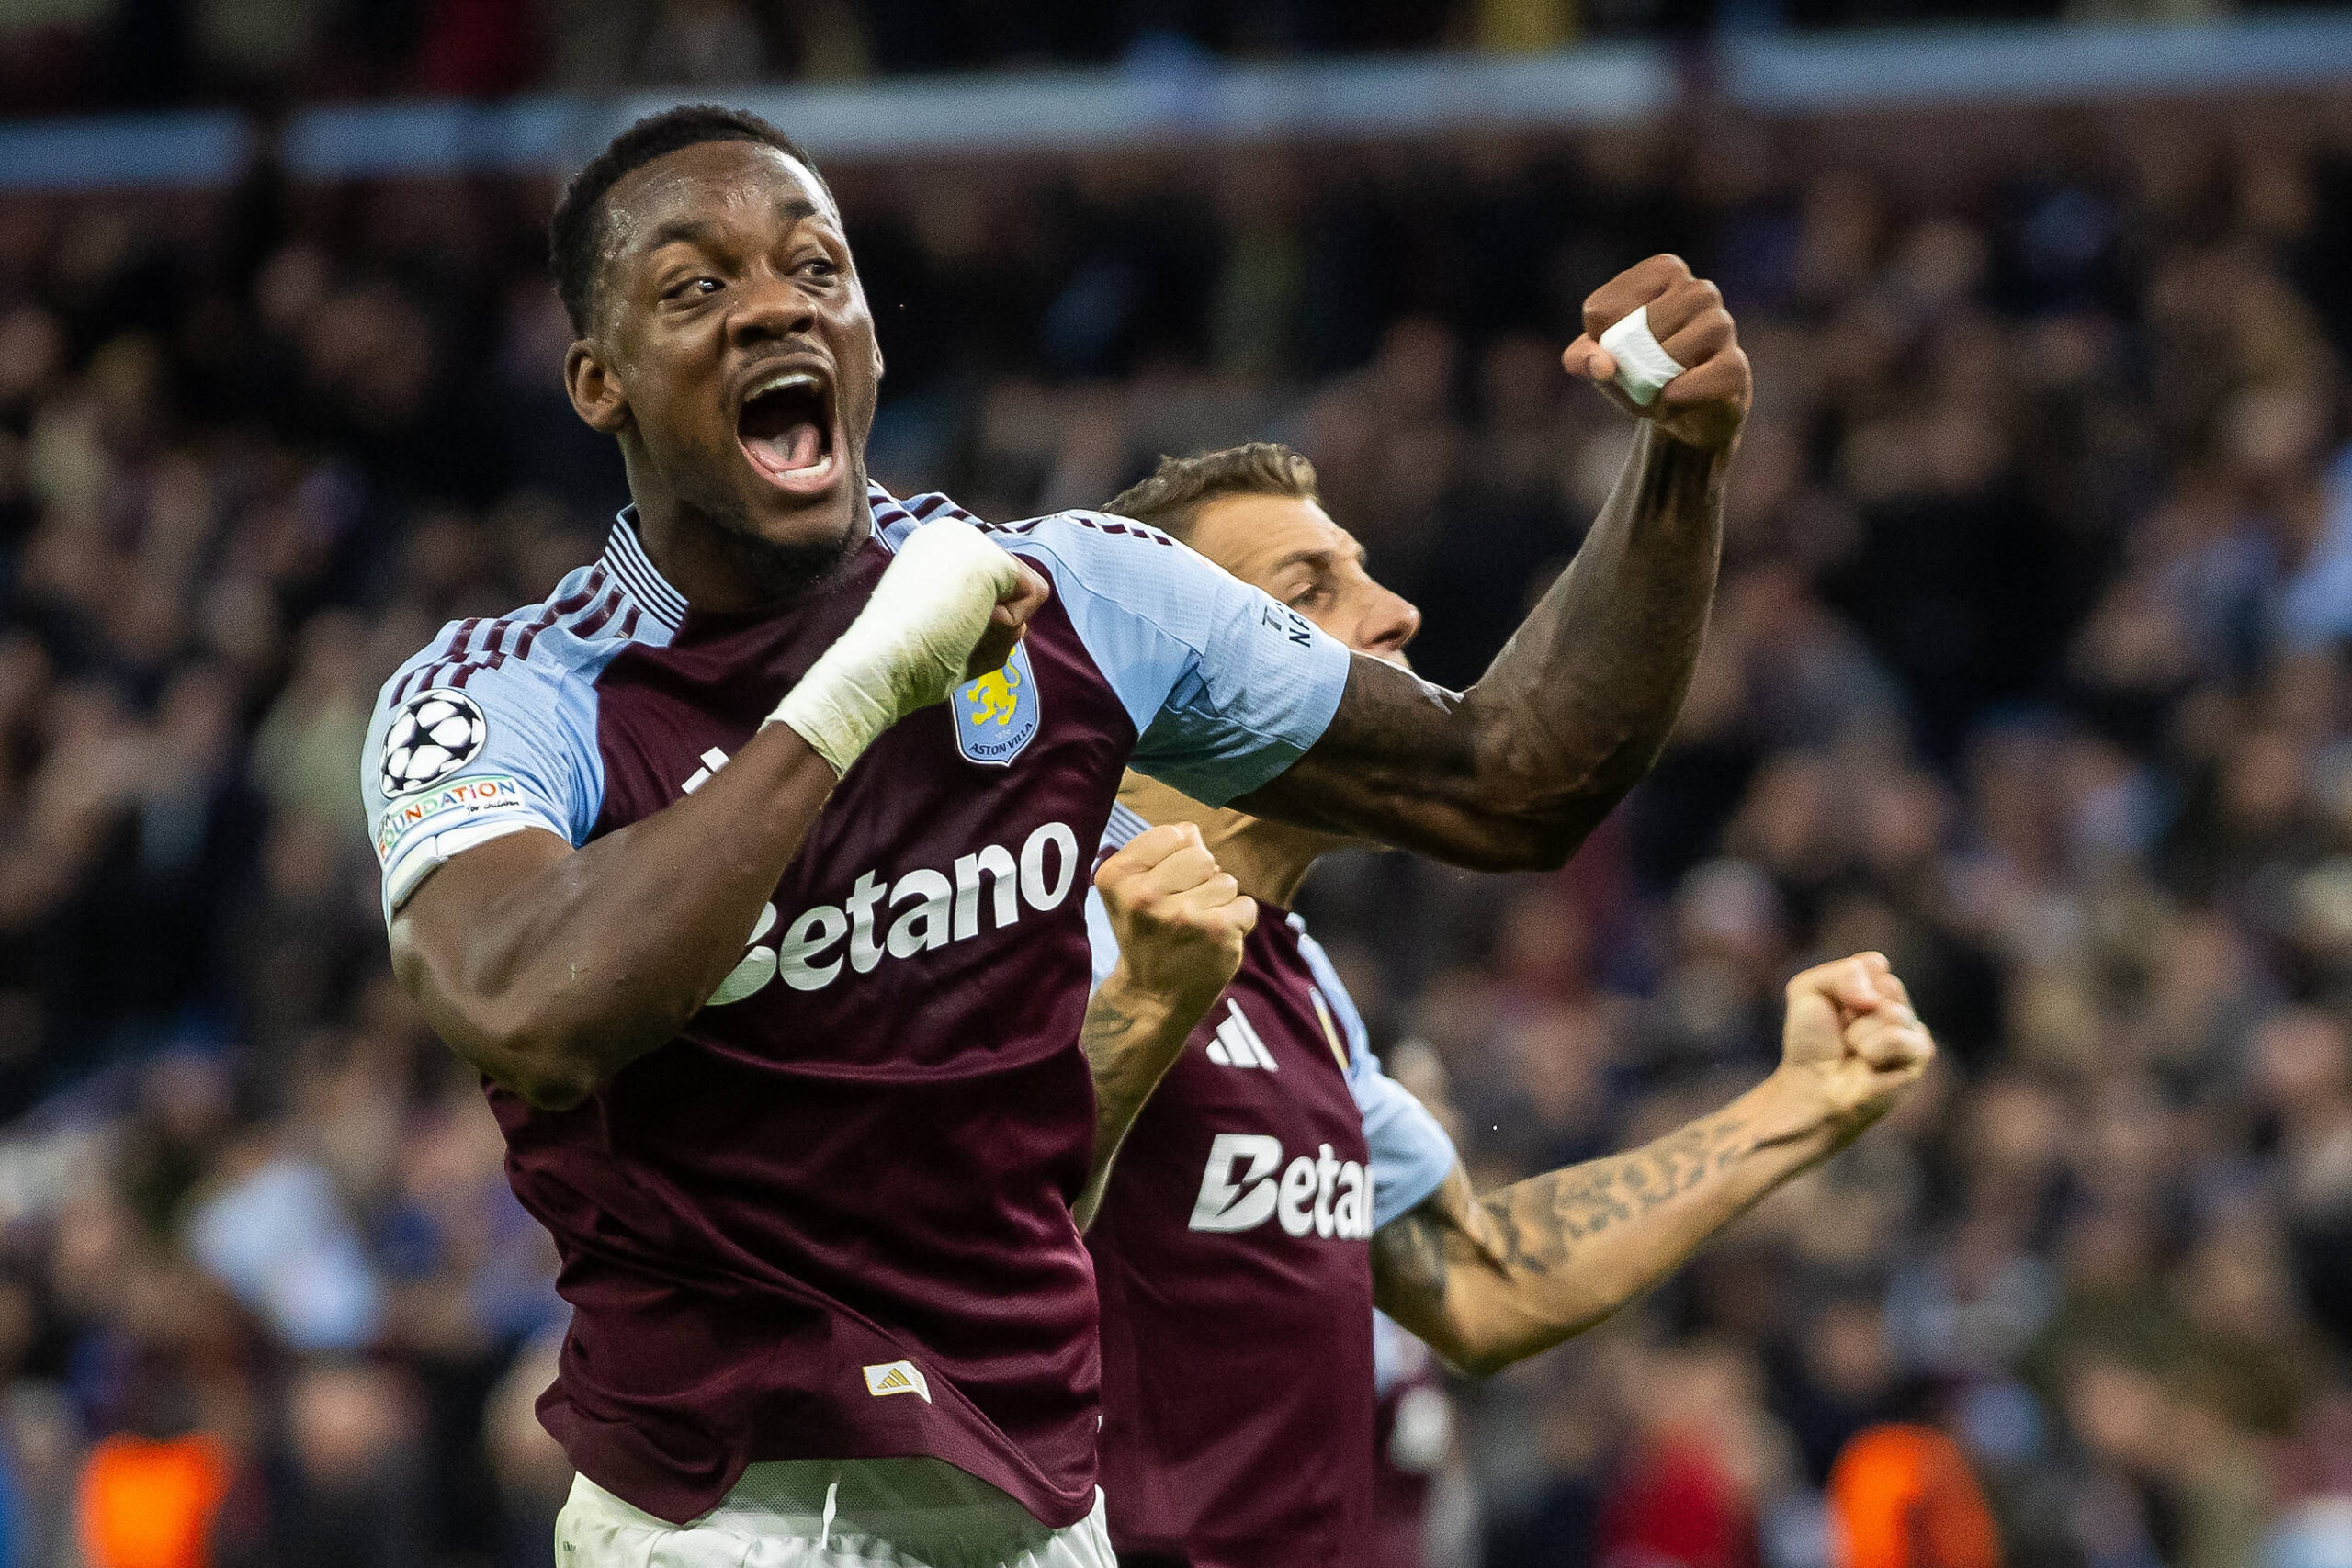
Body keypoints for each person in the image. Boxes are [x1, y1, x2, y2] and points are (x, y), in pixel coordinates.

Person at [362, 103, 1750, 1566]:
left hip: (1038, 1509)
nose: (777, 303)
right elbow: (526, 1003)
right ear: (600, 381)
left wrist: (1682, 463)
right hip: (726, 1511)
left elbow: (1511, 775)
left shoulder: (1078, 598)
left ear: (872, 339)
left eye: (816, 269)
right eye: (696, 287)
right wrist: (855, 692)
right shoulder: (514, 688)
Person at [1080, 444, 1935, 1567]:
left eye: (1363, 571)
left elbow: (1477, 1280)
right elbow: (942, 1230)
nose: (1394, 613)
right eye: (1306, 592)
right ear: (1160, 675)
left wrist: (1802, 1105)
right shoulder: (1042, 909)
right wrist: (1141, 1009)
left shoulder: (1301, 985)